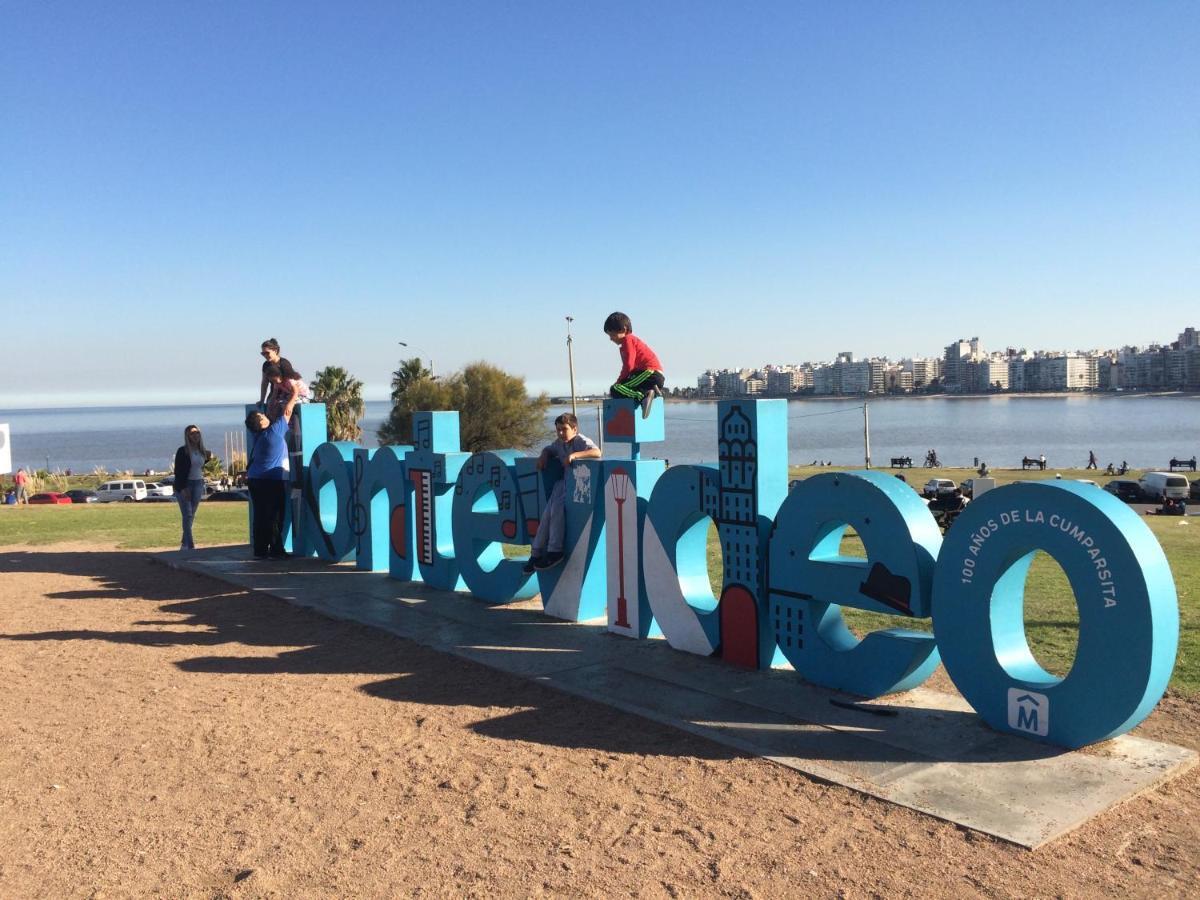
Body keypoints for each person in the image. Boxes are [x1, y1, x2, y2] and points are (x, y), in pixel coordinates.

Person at [523, 413, 601, 574]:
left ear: (574, 428)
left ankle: (555, 550)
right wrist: (544, 455)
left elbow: (596, 452)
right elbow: (549, 449)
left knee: (557, 511)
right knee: (547, 515)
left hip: (577, 485)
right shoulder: (559, 443)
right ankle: (536, 554)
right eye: (558, 430)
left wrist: (575, 455)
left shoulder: (580, 440)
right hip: (563, 484)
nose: (560, 433)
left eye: (564, 429)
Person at [245, 390, 301, 559]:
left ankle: (260, 550)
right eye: (262, 416)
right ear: (261, 423)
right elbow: (287, 411)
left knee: (261, 515)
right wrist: (294, 393)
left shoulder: (257, 435)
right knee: (276, 515)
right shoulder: (275, 431)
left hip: (255, 480)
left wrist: (274, 397)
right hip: (271, 480)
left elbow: (272, 414)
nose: (265, 415)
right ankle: (276, 549)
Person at [604, 312, 665, 419]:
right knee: (622, 387)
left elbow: (628, 366)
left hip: (649, 373)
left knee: (615, 389)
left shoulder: (628, 340)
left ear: (623, 329)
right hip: (650, 375)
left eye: (612, 335)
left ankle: (643, 397)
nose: (611, 339)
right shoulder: (628, 343)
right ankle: (651, 392)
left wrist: (619, 381)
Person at [173, 425, 212, 551]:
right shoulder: (182, 451)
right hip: (186, 484)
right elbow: (178, 472)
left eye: (197, 432)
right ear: (187, 436)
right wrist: (183, 488)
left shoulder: (201, 451)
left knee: (192, 515)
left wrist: (208, 457)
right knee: (187, 515)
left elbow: (198, 465)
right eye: (192, 433)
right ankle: (190, 546)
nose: (195, 435)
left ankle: (184, 544)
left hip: (198, 483)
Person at [257, 338, 304, 409]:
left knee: (281, 406)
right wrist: (262, 400)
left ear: (275, 351)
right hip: (274, 392)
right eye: (263, 353)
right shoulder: (266, 365)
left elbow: (293, 385)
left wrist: (290, 402)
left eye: (267, 353)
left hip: (288, 393)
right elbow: (264, 383)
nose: (265, 355)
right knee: (269, 406)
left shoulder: (284, 364)